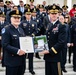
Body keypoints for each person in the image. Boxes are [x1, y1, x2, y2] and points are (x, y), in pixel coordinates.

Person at [41, 4, 66, 75]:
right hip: (48, 56)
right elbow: (47, 39)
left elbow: (61, 42)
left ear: (58, 14)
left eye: (55, 13)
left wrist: (50, 51)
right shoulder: (49, 25)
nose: (54, 15)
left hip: (55, 56)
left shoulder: (61, 26)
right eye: (52, 13)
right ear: (49, 14)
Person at [1, 10, 26, 75]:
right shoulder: (6, 29)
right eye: (15, 18)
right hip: (11, 62)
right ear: (10, 18)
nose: (17, 19)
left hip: (21, 61)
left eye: (18, 18)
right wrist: (17, 51)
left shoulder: (21, 30)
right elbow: (5, 44)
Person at [20, 8, 37, 75]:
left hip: (31, 40)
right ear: (25, 15)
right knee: (24, 56)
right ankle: (23, 69)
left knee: (31, 56)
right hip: (24, 41)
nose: (28, 15)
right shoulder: (22, 22)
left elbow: (36, 31)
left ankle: (31, 69)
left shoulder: (34, 23)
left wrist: (32, 35)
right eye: (27, 14)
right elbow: (21, 30)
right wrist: (25, 36)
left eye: (29, 14)